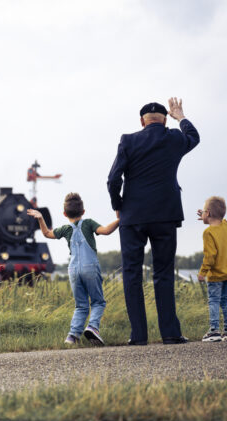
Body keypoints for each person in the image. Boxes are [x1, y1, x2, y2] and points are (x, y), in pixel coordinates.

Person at [107, 97, 200, 345]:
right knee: (164, 273)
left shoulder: (128, 140)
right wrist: (181, 117)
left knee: (132, 274)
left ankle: (138, 336)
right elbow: (194, 137)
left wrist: (118, 206)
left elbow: (113, 179)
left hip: (133, 217)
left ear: (141, 121)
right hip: (165, 215)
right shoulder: (175, 138)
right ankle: (170, 333)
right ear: (166, 120)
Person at [28, 193, 119, 345]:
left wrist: (40, 218)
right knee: (98, 302)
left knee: (81, 305)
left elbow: (46, 233)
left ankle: (72, 336)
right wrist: (119, 219)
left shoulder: (64, 229)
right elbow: (106, 231)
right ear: (83, 212)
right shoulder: (89, 223)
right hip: (90, 267)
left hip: (73, 270)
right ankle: (93, 327)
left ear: (64, 214)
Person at [197, 196, 227, 342]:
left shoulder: (208, 233)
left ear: (207, 214)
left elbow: (210, 256)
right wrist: (204, 215)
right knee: (225, 300)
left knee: (213, 300)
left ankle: (214, 331)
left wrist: (202, 273)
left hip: (217, 274)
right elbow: (218, 218)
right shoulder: (225, 225)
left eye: (203, 212)